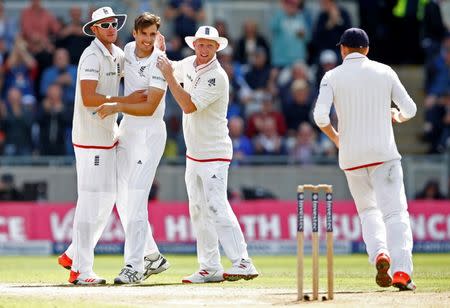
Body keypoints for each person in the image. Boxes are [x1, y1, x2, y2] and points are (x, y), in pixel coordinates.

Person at [313, 28, 417, 291]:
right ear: (367, 49)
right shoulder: (385, 71)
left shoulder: (331, 76)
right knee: (394, 213)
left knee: (368, 212)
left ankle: (380, 254)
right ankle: (402, 272)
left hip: (352, 157)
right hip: (384, 155)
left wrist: (337, 139)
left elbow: (321, 118)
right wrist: (397, 117)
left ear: (343, 49)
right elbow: (411, 109)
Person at [157, 26, 259, 283]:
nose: (203, 50)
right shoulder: (190, 63)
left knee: (216, 205)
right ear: (195, 45)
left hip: (214, 153)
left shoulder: (217, 76)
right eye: (200, 44)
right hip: (195, 154)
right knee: (199, 210)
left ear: (217, 48)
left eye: (209, 46)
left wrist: (169, 76)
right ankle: (210, 266)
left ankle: (242, 261)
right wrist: (159, 48)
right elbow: (169, 65)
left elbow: (188, 105)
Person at [59, 7, 147, 285]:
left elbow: (137, 63)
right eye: (105, 24)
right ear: (94, 29)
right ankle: (81, 270)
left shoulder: (116, 54)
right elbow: (87, 98)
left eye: (114, 24)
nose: (111, 28)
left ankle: (73, 255)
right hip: (89, 140)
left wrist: (156, 48)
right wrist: (125, 100)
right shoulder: (91, 55)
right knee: (89, 202)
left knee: (106, 201)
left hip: (106, 137)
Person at [94, 12, 170, 284]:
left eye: (153, 35)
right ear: (135, 34)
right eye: (144, 34)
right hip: (127, 132)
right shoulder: (127, 49)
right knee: (123, 199)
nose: (148, 40)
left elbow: (149, 106)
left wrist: (117, 105)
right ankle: (153, 255)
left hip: (150, 134)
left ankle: (134, 266)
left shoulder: (161, 63)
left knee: (137, 199)